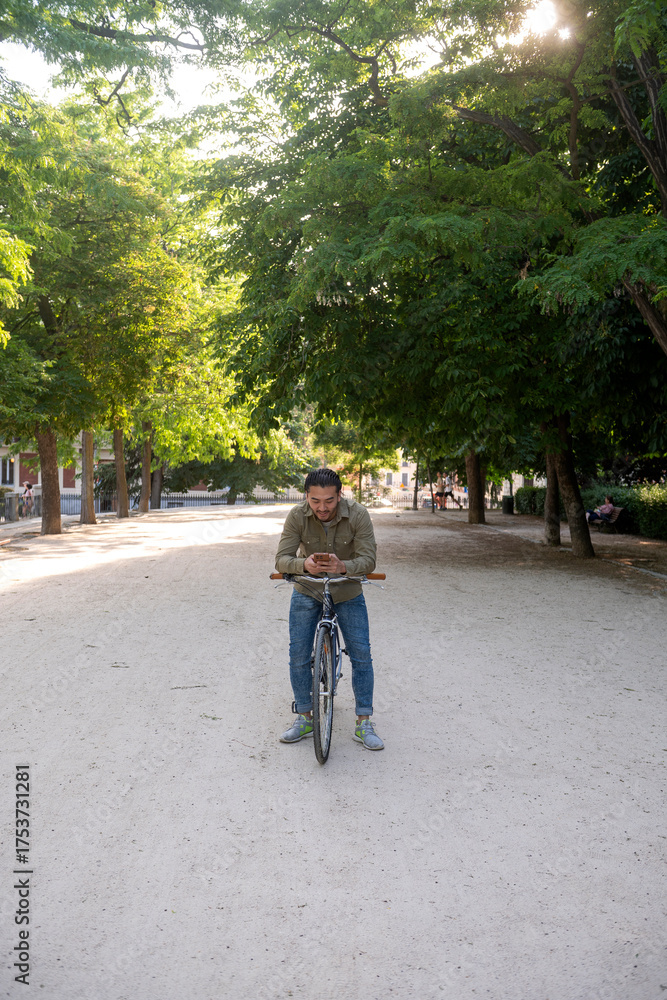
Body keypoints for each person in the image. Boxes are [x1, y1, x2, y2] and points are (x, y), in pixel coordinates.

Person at [275, 467, 384, 751]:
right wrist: (303, 564)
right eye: (315, 501)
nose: (322, 508)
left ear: (340, 495)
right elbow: (281, 559)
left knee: (362, 655)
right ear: (306, 497)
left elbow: (369, 560)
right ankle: (304, 717)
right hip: (307, 588)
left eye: (329, 501)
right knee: (298, 654)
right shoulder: (297, 516)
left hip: (347, 590)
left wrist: (343, 566)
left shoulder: (358, 514)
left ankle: (364, 722)